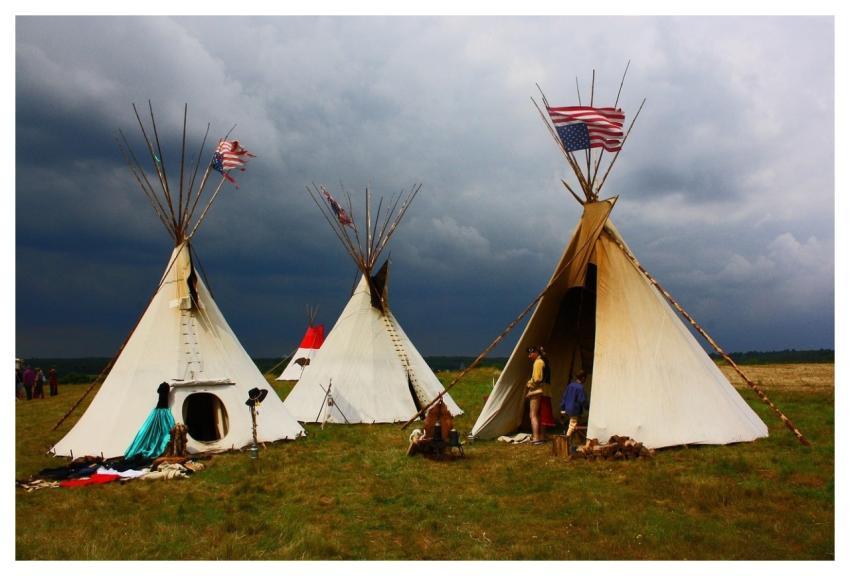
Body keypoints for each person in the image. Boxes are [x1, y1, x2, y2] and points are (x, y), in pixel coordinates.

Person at [526, 346, 549, 445]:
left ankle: (536, 437)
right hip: (543, 389)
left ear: (535, 353)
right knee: (539, 414)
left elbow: (537, 379)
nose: (529, 356)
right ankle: (542, 436)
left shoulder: (538, 362)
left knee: (533, 415)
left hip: (536, 389)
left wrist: (529, 384)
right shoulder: (543, 361)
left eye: (530, 353)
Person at [560, 370, 589, 440]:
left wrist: (562, 407)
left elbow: (564, 396)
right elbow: (582, 400)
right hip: (574, 410)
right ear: (583, 378)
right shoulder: (580, 388)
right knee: (572, 425)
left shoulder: (570, 385)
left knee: (572, 424)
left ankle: (573, 439)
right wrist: (588, 407)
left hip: (567, 409)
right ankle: (566, 440)